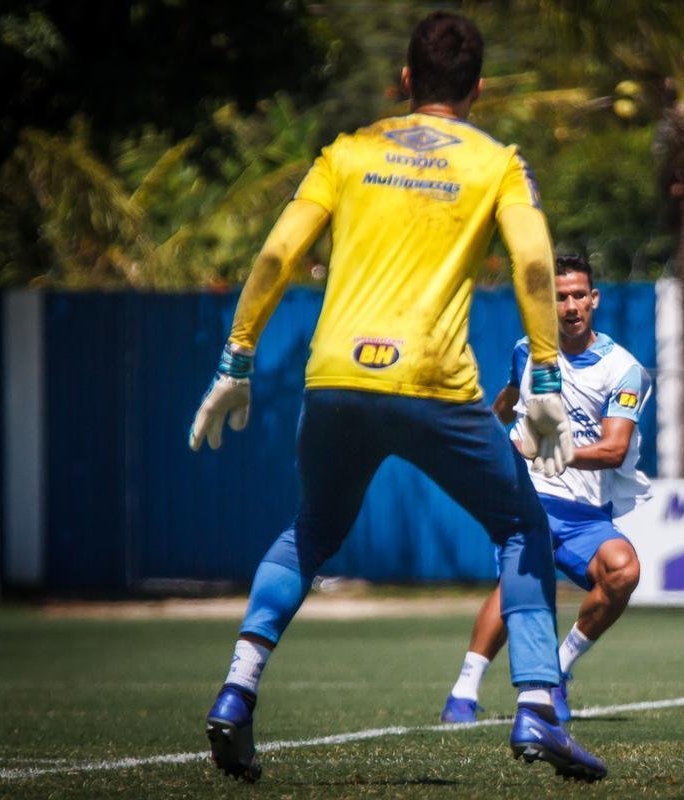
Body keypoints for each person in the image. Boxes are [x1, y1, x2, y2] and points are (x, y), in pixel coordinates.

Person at [188, 11, 606, 783]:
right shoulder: (498, 164)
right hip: (432, 383)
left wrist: (236, 357)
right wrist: (546, 374)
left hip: (335, 379)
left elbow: (278, 252)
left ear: (406, 79)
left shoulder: (346, 152)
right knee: (521, 523)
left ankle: (238, 689)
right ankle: (538, 708)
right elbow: (534, 264)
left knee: (312, 530)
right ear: (479, 88)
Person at [440, 254, 652, 724]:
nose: (570, 306)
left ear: (594, 299)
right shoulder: (528, 351)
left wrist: (550, 450)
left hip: (586, 513)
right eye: (560, 297)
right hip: (528, 496)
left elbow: (614, 449)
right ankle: (463, 692)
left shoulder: (623, 370)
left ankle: (557, 670)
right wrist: (482, 436)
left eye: (578, 295)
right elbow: (509, 398)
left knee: (623, 571)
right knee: (518, 584)